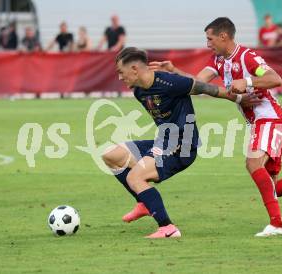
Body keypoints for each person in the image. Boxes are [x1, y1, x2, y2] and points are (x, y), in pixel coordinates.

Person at [149, 17, 282, 237]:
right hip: (259, 123)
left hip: (270, 119)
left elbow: (275, 78)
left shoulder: (247, 57)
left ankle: (278, 225)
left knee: (252, 163)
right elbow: (197, 85)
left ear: (224, 36)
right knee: (272, 187)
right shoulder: (218, 61)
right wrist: (174, 70)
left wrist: (248, 82)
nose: (208, 44)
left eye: (210, 39)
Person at [102, 47, 259, 238]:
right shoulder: (139, 92)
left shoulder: (169, 82)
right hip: (165, 142)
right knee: (111, 155)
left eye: (121, 72)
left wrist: (241, 98)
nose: (119, 77)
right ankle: (144, 202)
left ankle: (168, 228)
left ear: (134, 68)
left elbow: (209, 89)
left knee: (134, 177)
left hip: (183, 146)